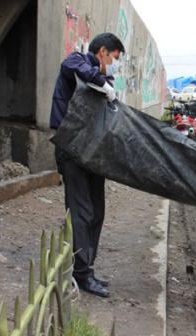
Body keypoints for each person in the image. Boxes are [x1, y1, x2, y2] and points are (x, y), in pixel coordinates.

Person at [50, 32, 125, 297]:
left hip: (92, 153)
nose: (114, 64)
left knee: (96, 212)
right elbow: (72, 66)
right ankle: (81, 275)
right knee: (81, 212)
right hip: (71, 150)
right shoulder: (78, 62)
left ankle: (86, 268)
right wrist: (100, 83)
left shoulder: (103, 79)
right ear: (103, 51)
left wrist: (105, 85)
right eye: (114, 58)